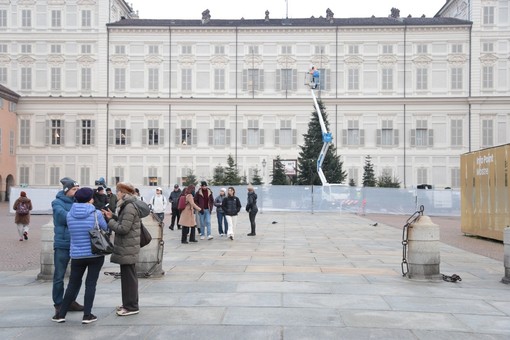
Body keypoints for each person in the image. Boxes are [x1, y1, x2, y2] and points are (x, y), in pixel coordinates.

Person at [52, 187, 108, 324]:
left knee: (72, 284)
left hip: (77, 254)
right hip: (95, 253)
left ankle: (61, 314)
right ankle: (87, 315)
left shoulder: (70, 214)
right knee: (90, 284)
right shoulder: (96, 214)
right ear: (90, 199)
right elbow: (105, 228)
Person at [102, 182, 142, 316]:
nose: (116, 193)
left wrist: (109, 222)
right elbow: (123, 221)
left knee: (129, 279)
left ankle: (131, 307)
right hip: (127, 247)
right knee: (128, 277)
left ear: (124, 193)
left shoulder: (129, 207)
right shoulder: (127, 205)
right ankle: (129, 304)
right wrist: (112, 217)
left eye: (118, 191)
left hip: (128, 247)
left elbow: (123, 228)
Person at [52, 177, 84, 317]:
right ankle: (58, 303)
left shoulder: (78, 202)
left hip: (77, 243)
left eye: (78, 189)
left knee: (76, 275)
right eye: (74, 189)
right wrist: (82, 214)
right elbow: (63, 217)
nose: (77, 191)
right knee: (59, 275)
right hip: (62, 243)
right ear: (67, 190)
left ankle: (71, 300)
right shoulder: (57, 203)